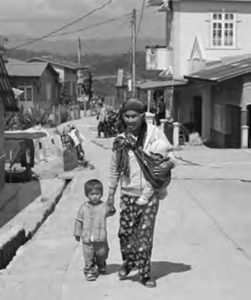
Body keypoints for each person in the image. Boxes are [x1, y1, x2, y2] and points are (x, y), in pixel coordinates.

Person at [106, 98, 176, 288]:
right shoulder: (120, 141)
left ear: (142, 116)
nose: (130, 120)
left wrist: (167, 164)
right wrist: (110, 196)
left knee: (144, 234)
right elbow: (114, 169)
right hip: (127, 193)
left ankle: (145, 273)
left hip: (150, 193)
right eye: (126, 116)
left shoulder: (155, 134)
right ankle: (129, 262)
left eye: (134, 116)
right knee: (125, 233)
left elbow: (170, 156)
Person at [73, 179, 115, 281]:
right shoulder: (83, 208)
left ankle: (101, 264)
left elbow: (110, 212)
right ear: (87, 195)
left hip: (101, 238)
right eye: (92, 194)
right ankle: (89, 271)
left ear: (101, 194)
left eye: (98, 194)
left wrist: (111, 208)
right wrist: (77, 233)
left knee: (102, 254)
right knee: (88, 256)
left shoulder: (103, 206)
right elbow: (79, 221)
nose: (95, 196)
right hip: (87, 239)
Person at [136, 139, 175, 206]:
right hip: (163, 180)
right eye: (152, 154)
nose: (153, 156)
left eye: (156, 155)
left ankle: (144, 198)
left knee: (150, 185)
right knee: (158, 188)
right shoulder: (158, 157)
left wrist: (171, 163)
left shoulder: (161, 161)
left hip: (158, 178)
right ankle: (159, 194)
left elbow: (171, 155)